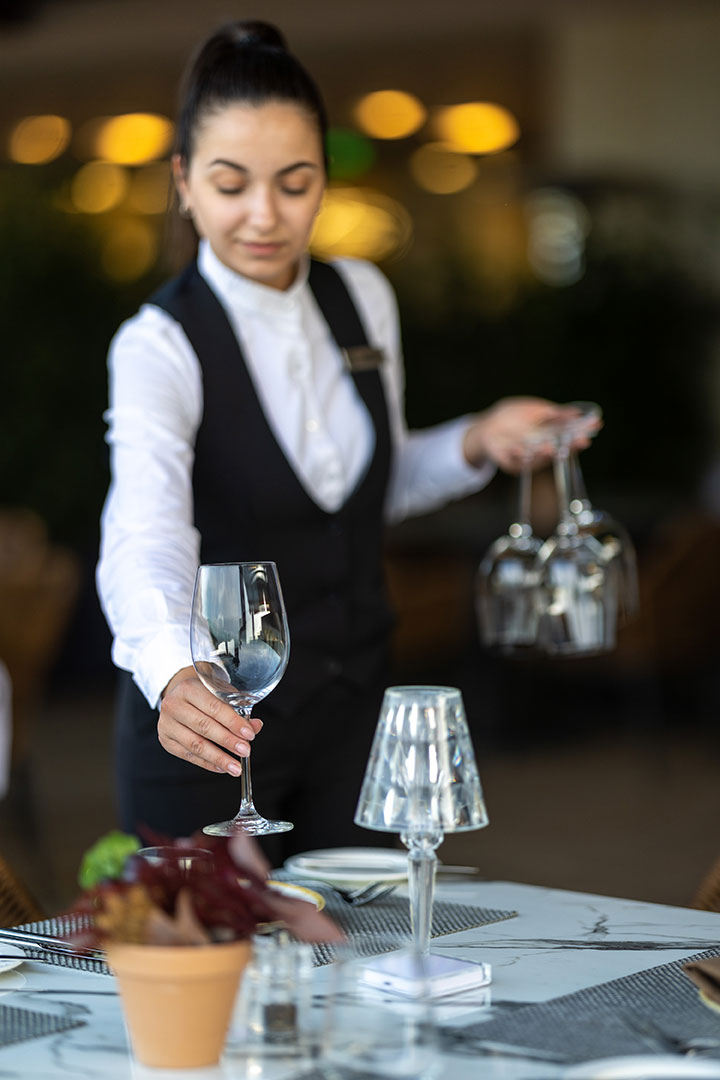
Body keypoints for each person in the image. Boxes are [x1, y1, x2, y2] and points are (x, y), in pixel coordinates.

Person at [97, 19, 585, 864]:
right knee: (212, 977)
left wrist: (478, 439)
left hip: (355, 713)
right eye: (230, 183)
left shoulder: (362, 296)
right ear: (183, 182)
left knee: (361, 960)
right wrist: (171, 672)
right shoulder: (158, 344)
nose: (264, 215)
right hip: (210, 731)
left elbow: (367, 485)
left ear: (325, 179)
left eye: (295, 183)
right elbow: (145, 531)